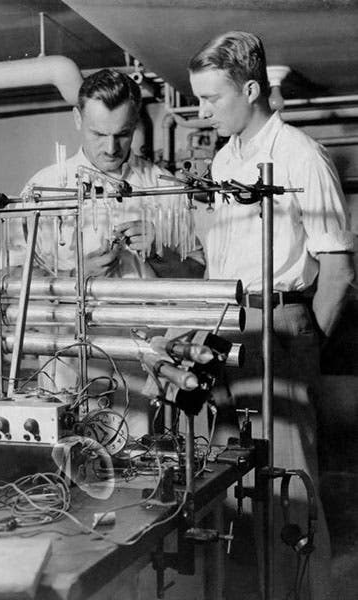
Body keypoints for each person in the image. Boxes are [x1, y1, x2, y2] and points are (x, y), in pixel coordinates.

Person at [188, 31, 354, 599]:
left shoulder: (301, 155)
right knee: (234, 486)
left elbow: (338, 272)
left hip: (279, 326)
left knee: (291, 494)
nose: (202, 111)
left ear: (252, 88)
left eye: (212, 98)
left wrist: (305, 352)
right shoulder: (224, 157)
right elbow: (220, 258)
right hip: (227, 325)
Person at [8, 68, 204, 438]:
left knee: (142, 470)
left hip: (143, 365)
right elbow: (14, 285)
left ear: (135, 125)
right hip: (67, 363)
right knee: (67, 468)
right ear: (78, 118)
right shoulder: (43, 190)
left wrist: (163, 254)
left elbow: (199, 281)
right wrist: (73, 276)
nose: (111, 148)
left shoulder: (165, 189)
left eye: (123, 134)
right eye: (99, 134)